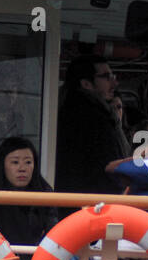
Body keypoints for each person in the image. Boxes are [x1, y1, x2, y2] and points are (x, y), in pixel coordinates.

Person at [0, 137, 59, 260]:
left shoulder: (46, 194)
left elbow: (55, 235)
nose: (22, 168)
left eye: (28, 162)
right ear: (2, 165)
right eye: (15, 162)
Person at [54, 54, 129, 194]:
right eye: (107, 77)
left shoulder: (67, 111)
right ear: (86, 84)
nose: (114, 84)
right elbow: (106, 168)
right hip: (93, 203)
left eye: (113, 77)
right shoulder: (93, 119)